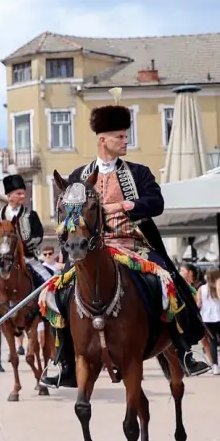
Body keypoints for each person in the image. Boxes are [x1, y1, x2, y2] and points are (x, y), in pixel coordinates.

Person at [41, 104, 211, 388]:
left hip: (134, 246)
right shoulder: (78, 176)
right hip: (89, 250)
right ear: (102, 139)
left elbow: (156, 203)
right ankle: (63, 360)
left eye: (125, 136)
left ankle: (185, 350)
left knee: (171, 283)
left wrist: (128, 204)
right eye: (119, 136)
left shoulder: (139, 172)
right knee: (57, 294)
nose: (125, 141)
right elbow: (68, 217)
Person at [0, 174, 54, 287]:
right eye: (18, 193)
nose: (23, 196)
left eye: (23, 193)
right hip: (2, 261)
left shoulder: (31, 215)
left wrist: (23, 245)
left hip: (28, 259)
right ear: (9, 196)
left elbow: (39, 235)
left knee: (49, 281)